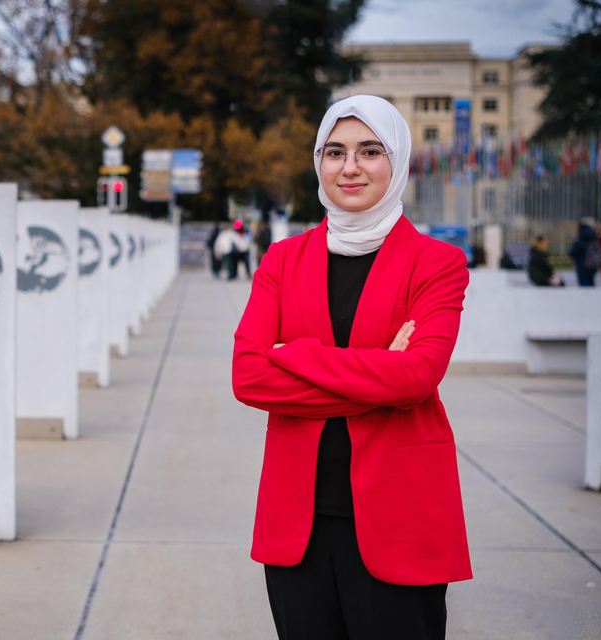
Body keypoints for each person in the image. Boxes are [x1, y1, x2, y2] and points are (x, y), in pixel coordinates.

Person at [232, 95, 472, 640]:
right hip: (299, 520)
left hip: (401, 514)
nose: (350, 166)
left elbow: (417, 377)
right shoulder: (282, 259)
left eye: (370, 150)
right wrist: (380, 372)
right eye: (334, 151)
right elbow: (248, 376)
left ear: (398, 161)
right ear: (318, 162)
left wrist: (296, 357)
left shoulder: (437, 263)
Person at [570, 219, 601, 287]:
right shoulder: (594, 236)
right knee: (591, 281)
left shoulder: (581, 237)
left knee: (584, 283)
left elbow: (574, 250)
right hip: (593, 263)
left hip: (582, 264)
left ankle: (585, 297)